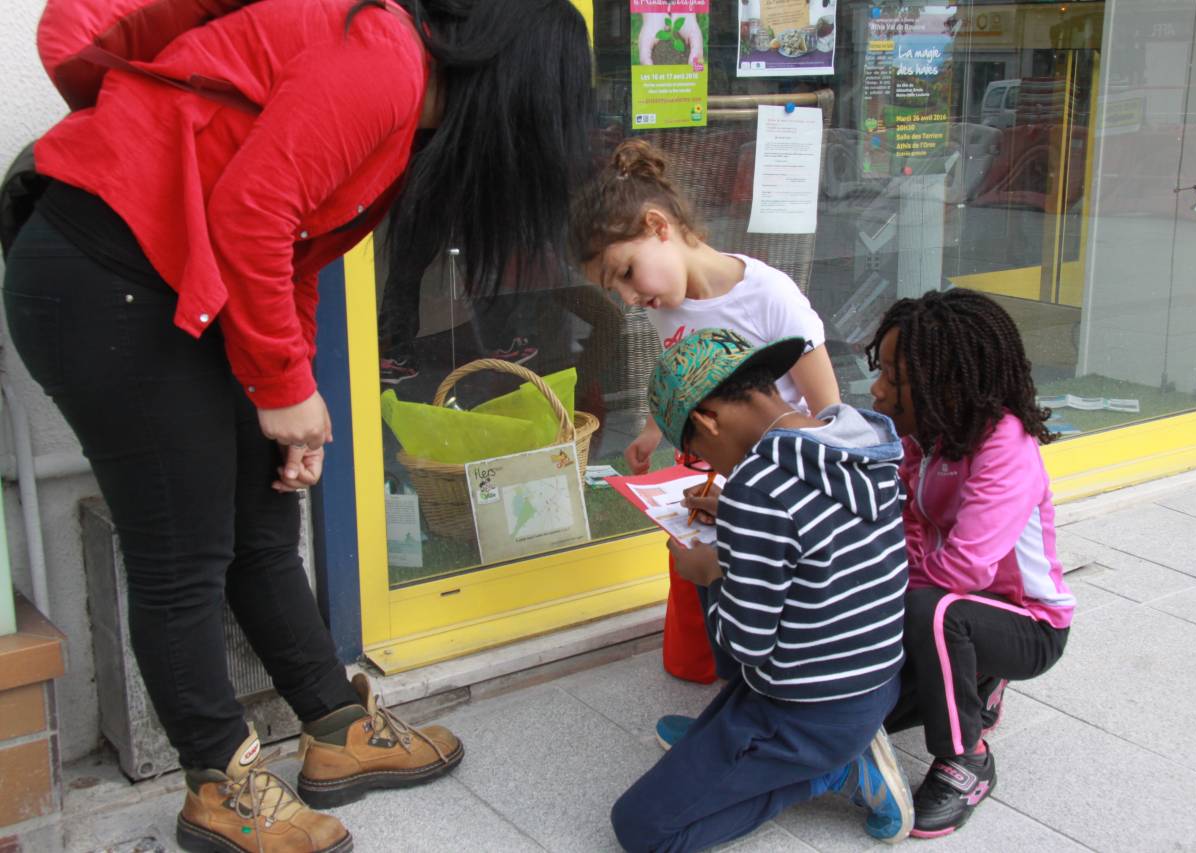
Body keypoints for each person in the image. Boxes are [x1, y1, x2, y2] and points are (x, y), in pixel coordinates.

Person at [2, 0, 592, 850]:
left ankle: (336, 726)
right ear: (521, 83)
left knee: (266, 524)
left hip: (178, 280)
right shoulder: (386, 57)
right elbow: (252, 213)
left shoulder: (403, 109)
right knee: (183, 553)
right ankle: (219, 786)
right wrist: (281, 385)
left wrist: (296, 398)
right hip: (105, 278)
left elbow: (295, 251)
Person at [610, 328, 915, 851]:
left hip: (807, 712)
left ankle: (832, 772)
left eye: (699, 454)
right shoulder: (856, 438)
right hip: (874, 682)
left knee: (642, 828)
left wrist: (711, 572)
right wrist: (735, 525)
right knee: (726, 573)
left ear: (708, 420)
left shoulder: (757, 490)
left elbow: (745, 646)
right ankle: (738, 746)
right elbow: (824, 540)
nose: (712, 468)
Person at [571, 137, 841, 686]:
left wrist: (789, 497)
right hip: (713, 467)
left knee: (757, 590)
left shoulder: (769, 295)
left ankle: (752, 683)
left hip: (782, 482)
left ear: (658, 227)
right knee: (690, 566)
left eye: (625, 273)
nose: (627, 298)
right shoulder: (665, 306)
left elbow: (830, 417)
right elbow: (682, 377)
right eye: (613, 288)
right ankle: (706, 672)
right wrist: (654, 430)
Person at [866, 289, 1075, 839]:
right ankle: (977, 681)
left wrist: (887, 587)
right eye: (881, 371)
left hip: (1028, 624)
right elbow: (908, 527)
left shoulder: (1007, 446)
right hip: (958, 604)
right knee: (871, 711)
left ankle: (967, 759)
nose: (877, 389)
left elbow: (962, 572)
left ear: (946, 381)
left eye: (893, 377)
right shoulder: (928, 435)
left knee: (932, 612)